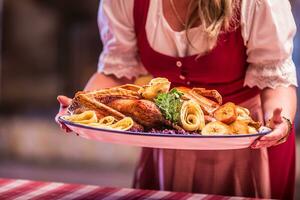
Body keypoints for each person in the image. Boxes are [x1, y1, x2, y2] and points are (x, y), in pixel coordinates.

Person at [56, 0, 297, 199]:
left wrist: (281, 119)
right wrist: (81, 107)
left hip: (247, 145)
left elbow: (275, 78)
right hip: (169, 141)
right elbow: (115, 71)